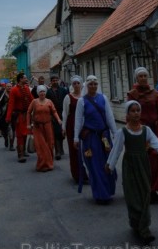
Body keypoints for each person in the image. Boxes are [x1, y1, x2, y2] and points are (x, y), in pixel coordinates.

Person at [106, 100, 158, 243]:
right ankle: (135, 222)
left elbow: (157, 143)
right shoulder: (123, 132)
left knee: (145, 194)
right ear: (127, 114)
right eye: (132, 111)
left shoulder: (146, 130)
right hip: (130, 166)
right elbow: (117, 149)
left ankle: (144, 228)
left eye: (138, 110)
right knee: (132, 196)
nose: (136, 113)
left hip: (144, 165)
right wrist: (110, 164)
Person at [127, 67, 158, 197]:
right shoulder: (133, 94)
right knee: (144, 159)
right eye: (140, 76)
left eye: (145, 76)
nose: (143, 78)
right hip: (140, 132)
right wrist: (131, 131)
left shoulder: (155, 94)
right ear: (136, 78)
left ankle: (154, 188)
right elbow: (129, 115)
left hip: (156, 130)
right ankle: (144, 188)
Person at [74, 75, 118, 204]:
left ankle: (108, 191)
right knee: (95, 165)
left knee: (108, 163)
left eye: (95, 84)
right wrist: (76, 137)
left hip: (104, 137)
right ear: (86, 86)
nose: (93, 86)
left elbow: (109, 117)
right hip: (91, 139)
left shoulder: (103, 98)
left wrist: (115, 134)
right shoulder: (82, 101)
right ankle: (100, 194)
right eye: (90, 84)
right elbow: (78, 120)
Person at [27, 85, 62, 172]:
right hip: (37, 127)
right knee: (40, 146)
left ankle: (49, 164)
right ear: (38, 93)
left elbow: (54, 111)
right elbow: (28, 112)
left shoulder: (49, 102)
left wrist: (58, 119)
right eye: (40, 92)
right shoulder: (34, 102)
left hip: (48, 126)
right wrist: (28, 124)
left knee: (50, 144)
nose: (42, 93)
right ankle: (42, 165)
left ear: (45, 93)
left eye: (43, 91)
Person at [6, 73, 33, 163]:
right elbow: (11, 104)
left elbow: (32, 100)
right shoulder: (14, 90)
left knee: (25, 133)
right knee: (20, 135)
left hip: (27, 115)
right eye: (25, 78)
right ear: (20, 79)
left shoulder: (27, 89)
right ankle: (20, 154)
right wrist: (8, 117)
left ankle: (24, 150)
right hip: (18, 116)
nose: (26, 79)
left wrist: (40, 104)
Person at [62, 75, 84, 183]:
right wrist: (63, 127)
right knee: (74, 150)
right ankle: (77, 174)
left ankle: (86, 173)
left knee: (85, 150)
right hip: (71, 125)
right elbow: (65, 113)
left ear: (81, 84)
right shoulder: (68, 97)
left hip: (84, 126)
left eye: (78, 83)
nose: (76, 85)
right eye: (74, 83)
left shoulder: (84, 97)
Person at [46, 73, 68, 160]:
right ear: (51, 82)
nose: (55, 82)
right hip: (53, 114)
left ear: (58, 80)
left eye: (56, 80)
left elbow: (67, 101)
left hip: (62, 113)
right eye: (53, 80)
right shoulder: (48, 92)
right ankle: (57, 151)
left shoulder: (63, 90)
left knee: (62, 132)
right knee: (55, 132)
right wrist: (49, 115)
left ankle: (61, 147)